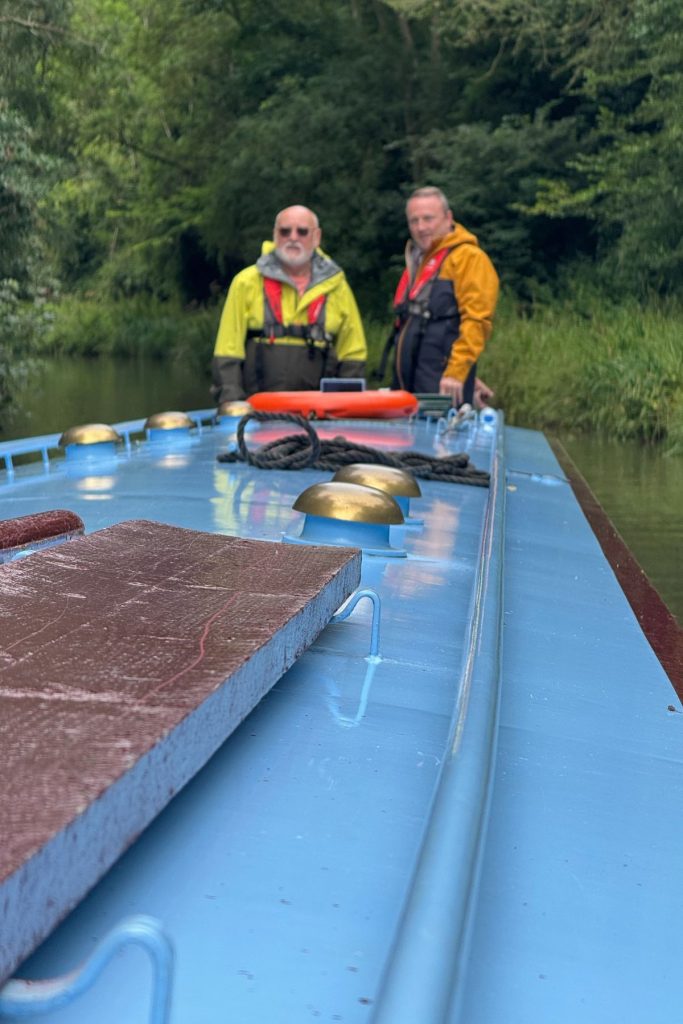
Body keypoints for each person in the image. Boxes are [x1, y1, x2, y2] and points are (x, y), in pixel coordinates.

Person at [211, 205, 367, 403]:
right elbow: (227, 350)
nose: (293, 237)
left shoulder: (338, 287)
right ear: (275, 235)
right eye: (285, 231)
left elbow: (353, 352)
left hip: (320, 415)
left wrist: (346, 409)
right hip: (257, 414)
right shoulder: (245, 282)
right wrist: (233, 407)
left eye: (302, 231)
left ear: (316, 237)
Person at [388, 186, 499, 407]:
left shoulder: (469, 258)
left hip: (443, 385)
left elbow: (476, 321)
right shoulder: (418, 260)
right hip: (409, 383)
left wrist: (459, 371)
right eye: (414, 221)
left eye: (428, 219)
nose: (421, 227)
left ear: (448, 218)